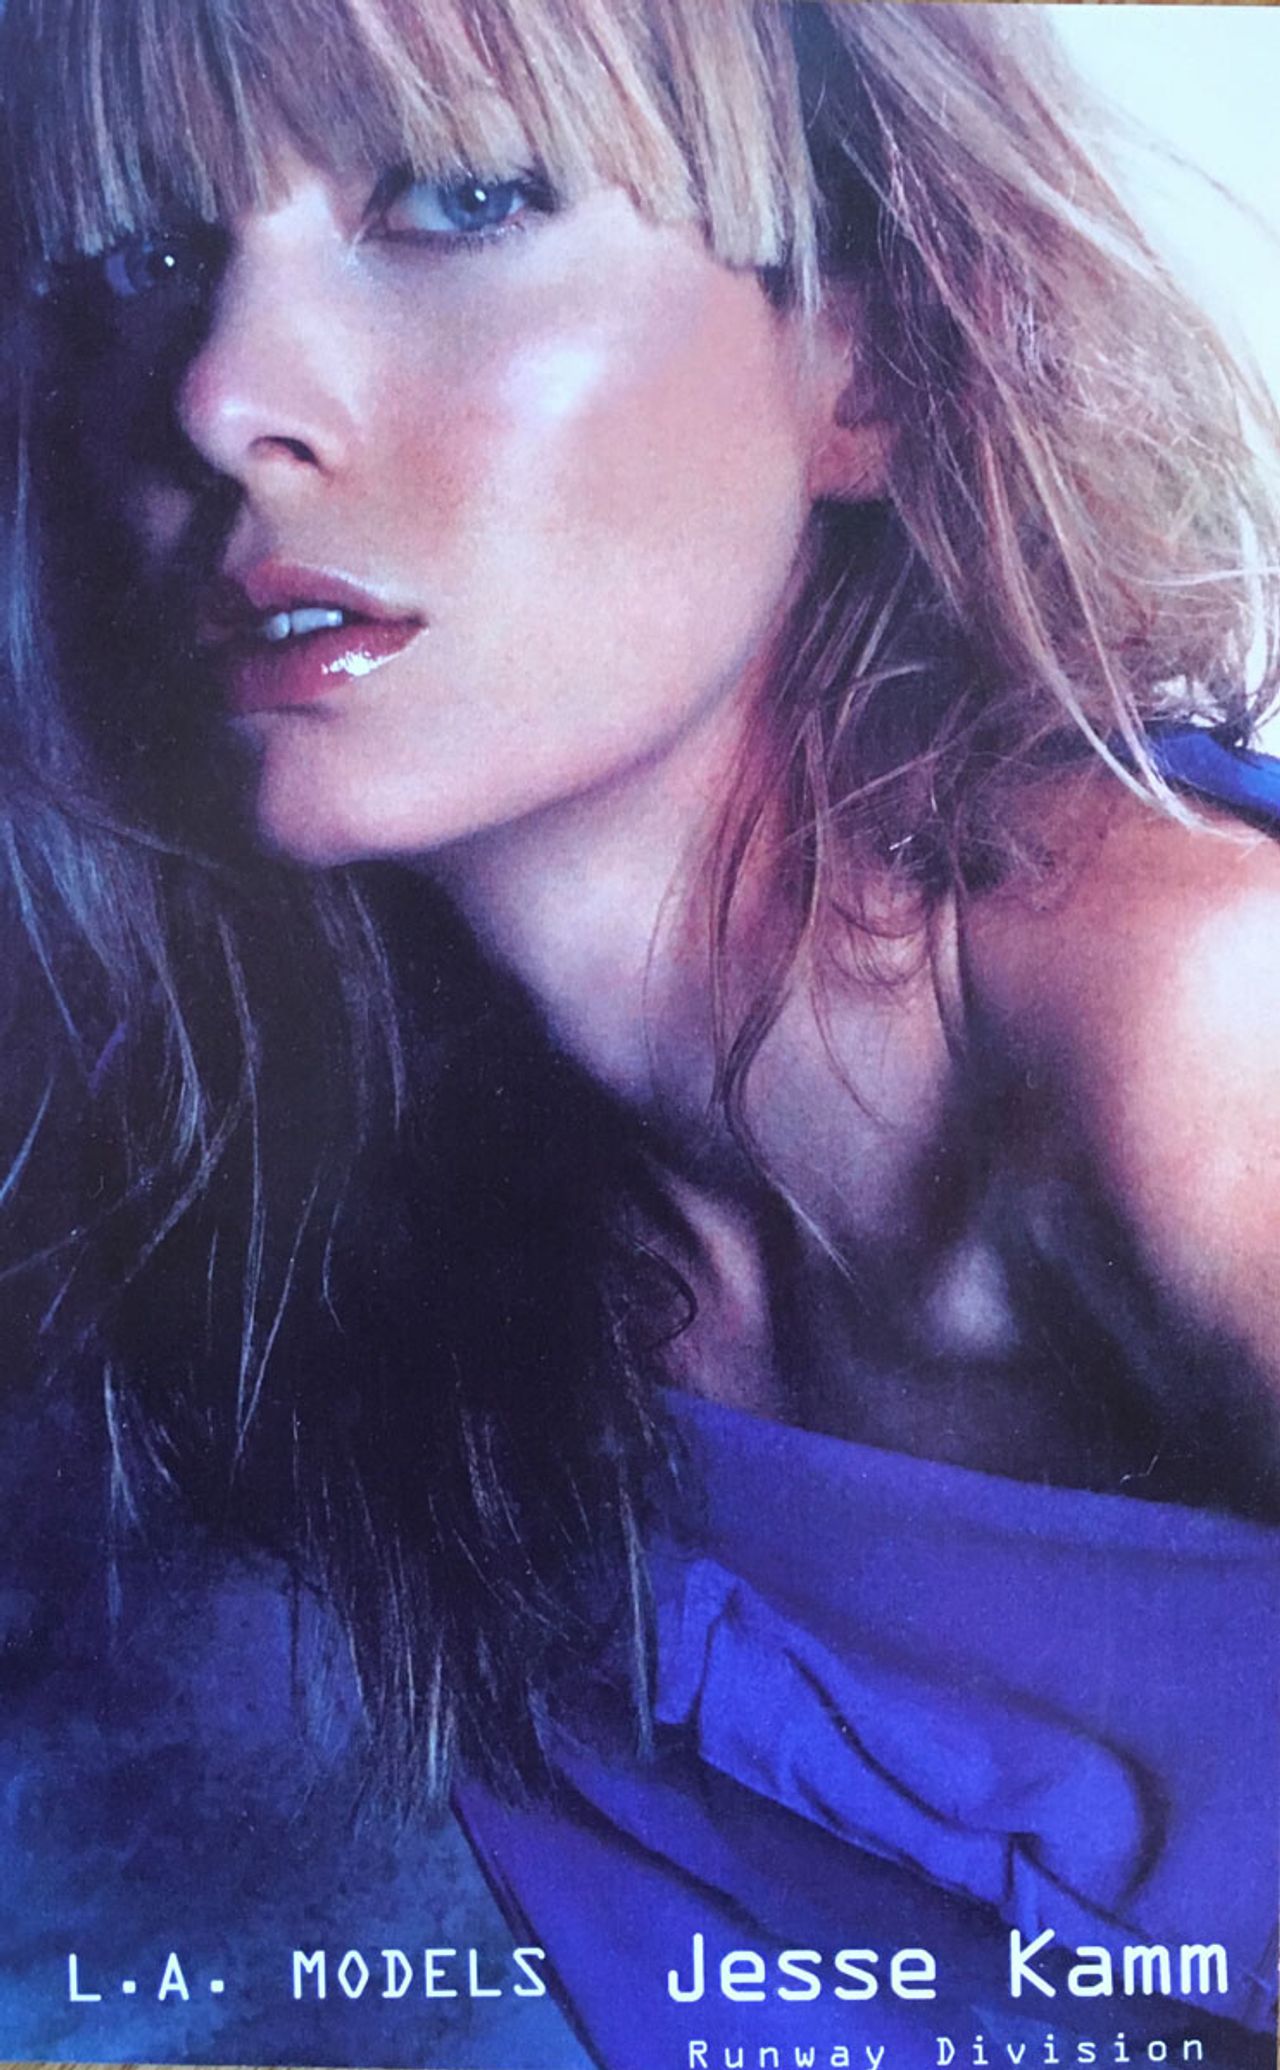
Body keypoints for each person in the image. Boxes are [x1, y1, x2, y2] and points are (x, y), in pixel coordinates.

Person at [0, 2, 1277, 2065]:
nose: (223, 396)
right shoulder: (340, 1237)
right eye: (142, 254)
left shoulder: (1201, 1028)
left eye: (462, 199)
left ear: (864, 356)